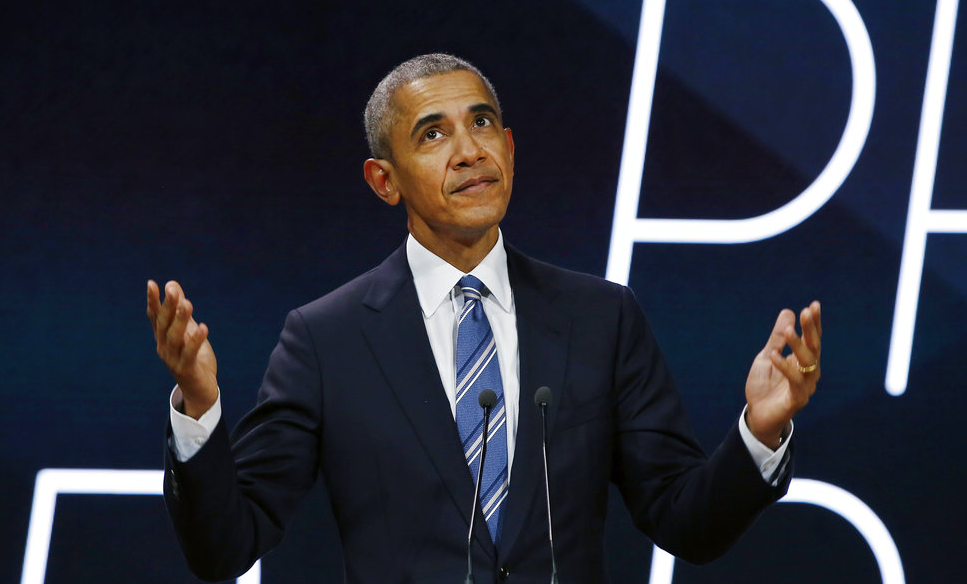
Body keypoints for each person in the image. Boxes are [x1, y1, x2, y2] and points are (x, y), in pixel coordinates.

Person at [147, 53, 822, 583]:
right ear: (384, 180)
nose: (469, 150)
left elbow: (687, 524)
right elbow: (225, 547)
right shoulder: (327, 338)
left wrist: (759, 432)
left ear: (510, 147)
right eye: (433, 133)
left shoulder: (601, 317)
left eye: (482, 122)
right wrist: (199, 408)